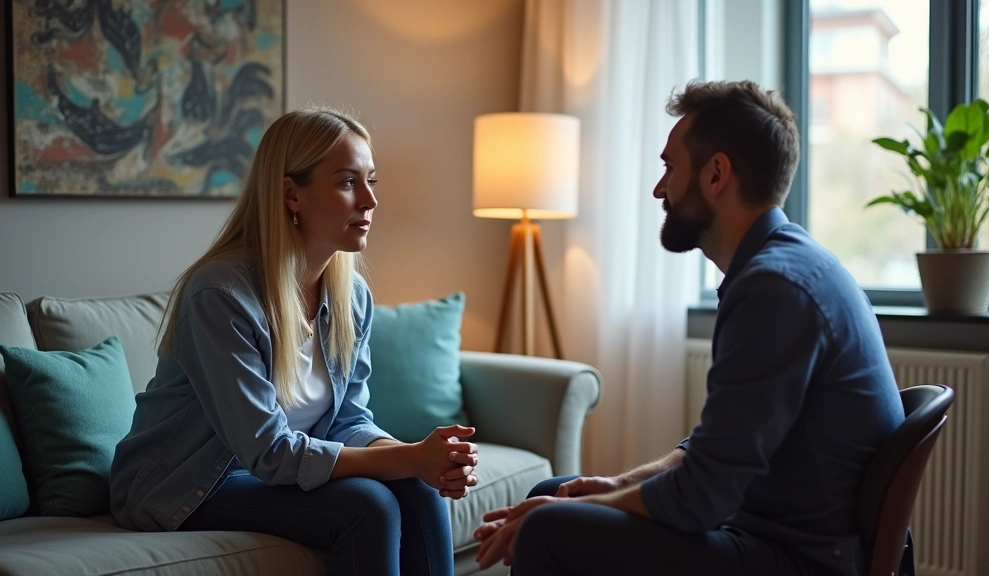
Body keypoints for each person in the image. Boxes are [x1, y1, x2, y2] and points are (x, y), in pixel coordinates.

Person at [474, 79, 907, 576]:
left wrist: (583, 509)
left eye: (670, 167)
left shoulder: (774, 289)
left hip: (801, 558)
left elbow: (702, 500)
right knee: (553, 494)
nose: (659, 188)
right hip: (773, 529)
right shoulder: (781, 267)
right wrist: (617, 485)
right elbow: (713, 456)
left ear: (716, 173)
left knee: (550, 524)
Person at [109, 107, 478, 576]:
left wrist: (425, 459)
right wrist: (410, 456)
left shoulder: (351, 295)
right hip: (181, 483)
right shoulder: (220, 295)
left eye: (371, 181)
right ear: (291, 194)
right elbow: (268, 452)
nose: (369, 201)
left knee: (418, 488)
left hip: (265, 473)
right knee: (368, 505)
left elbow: (347, 420)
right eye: (348, 182)